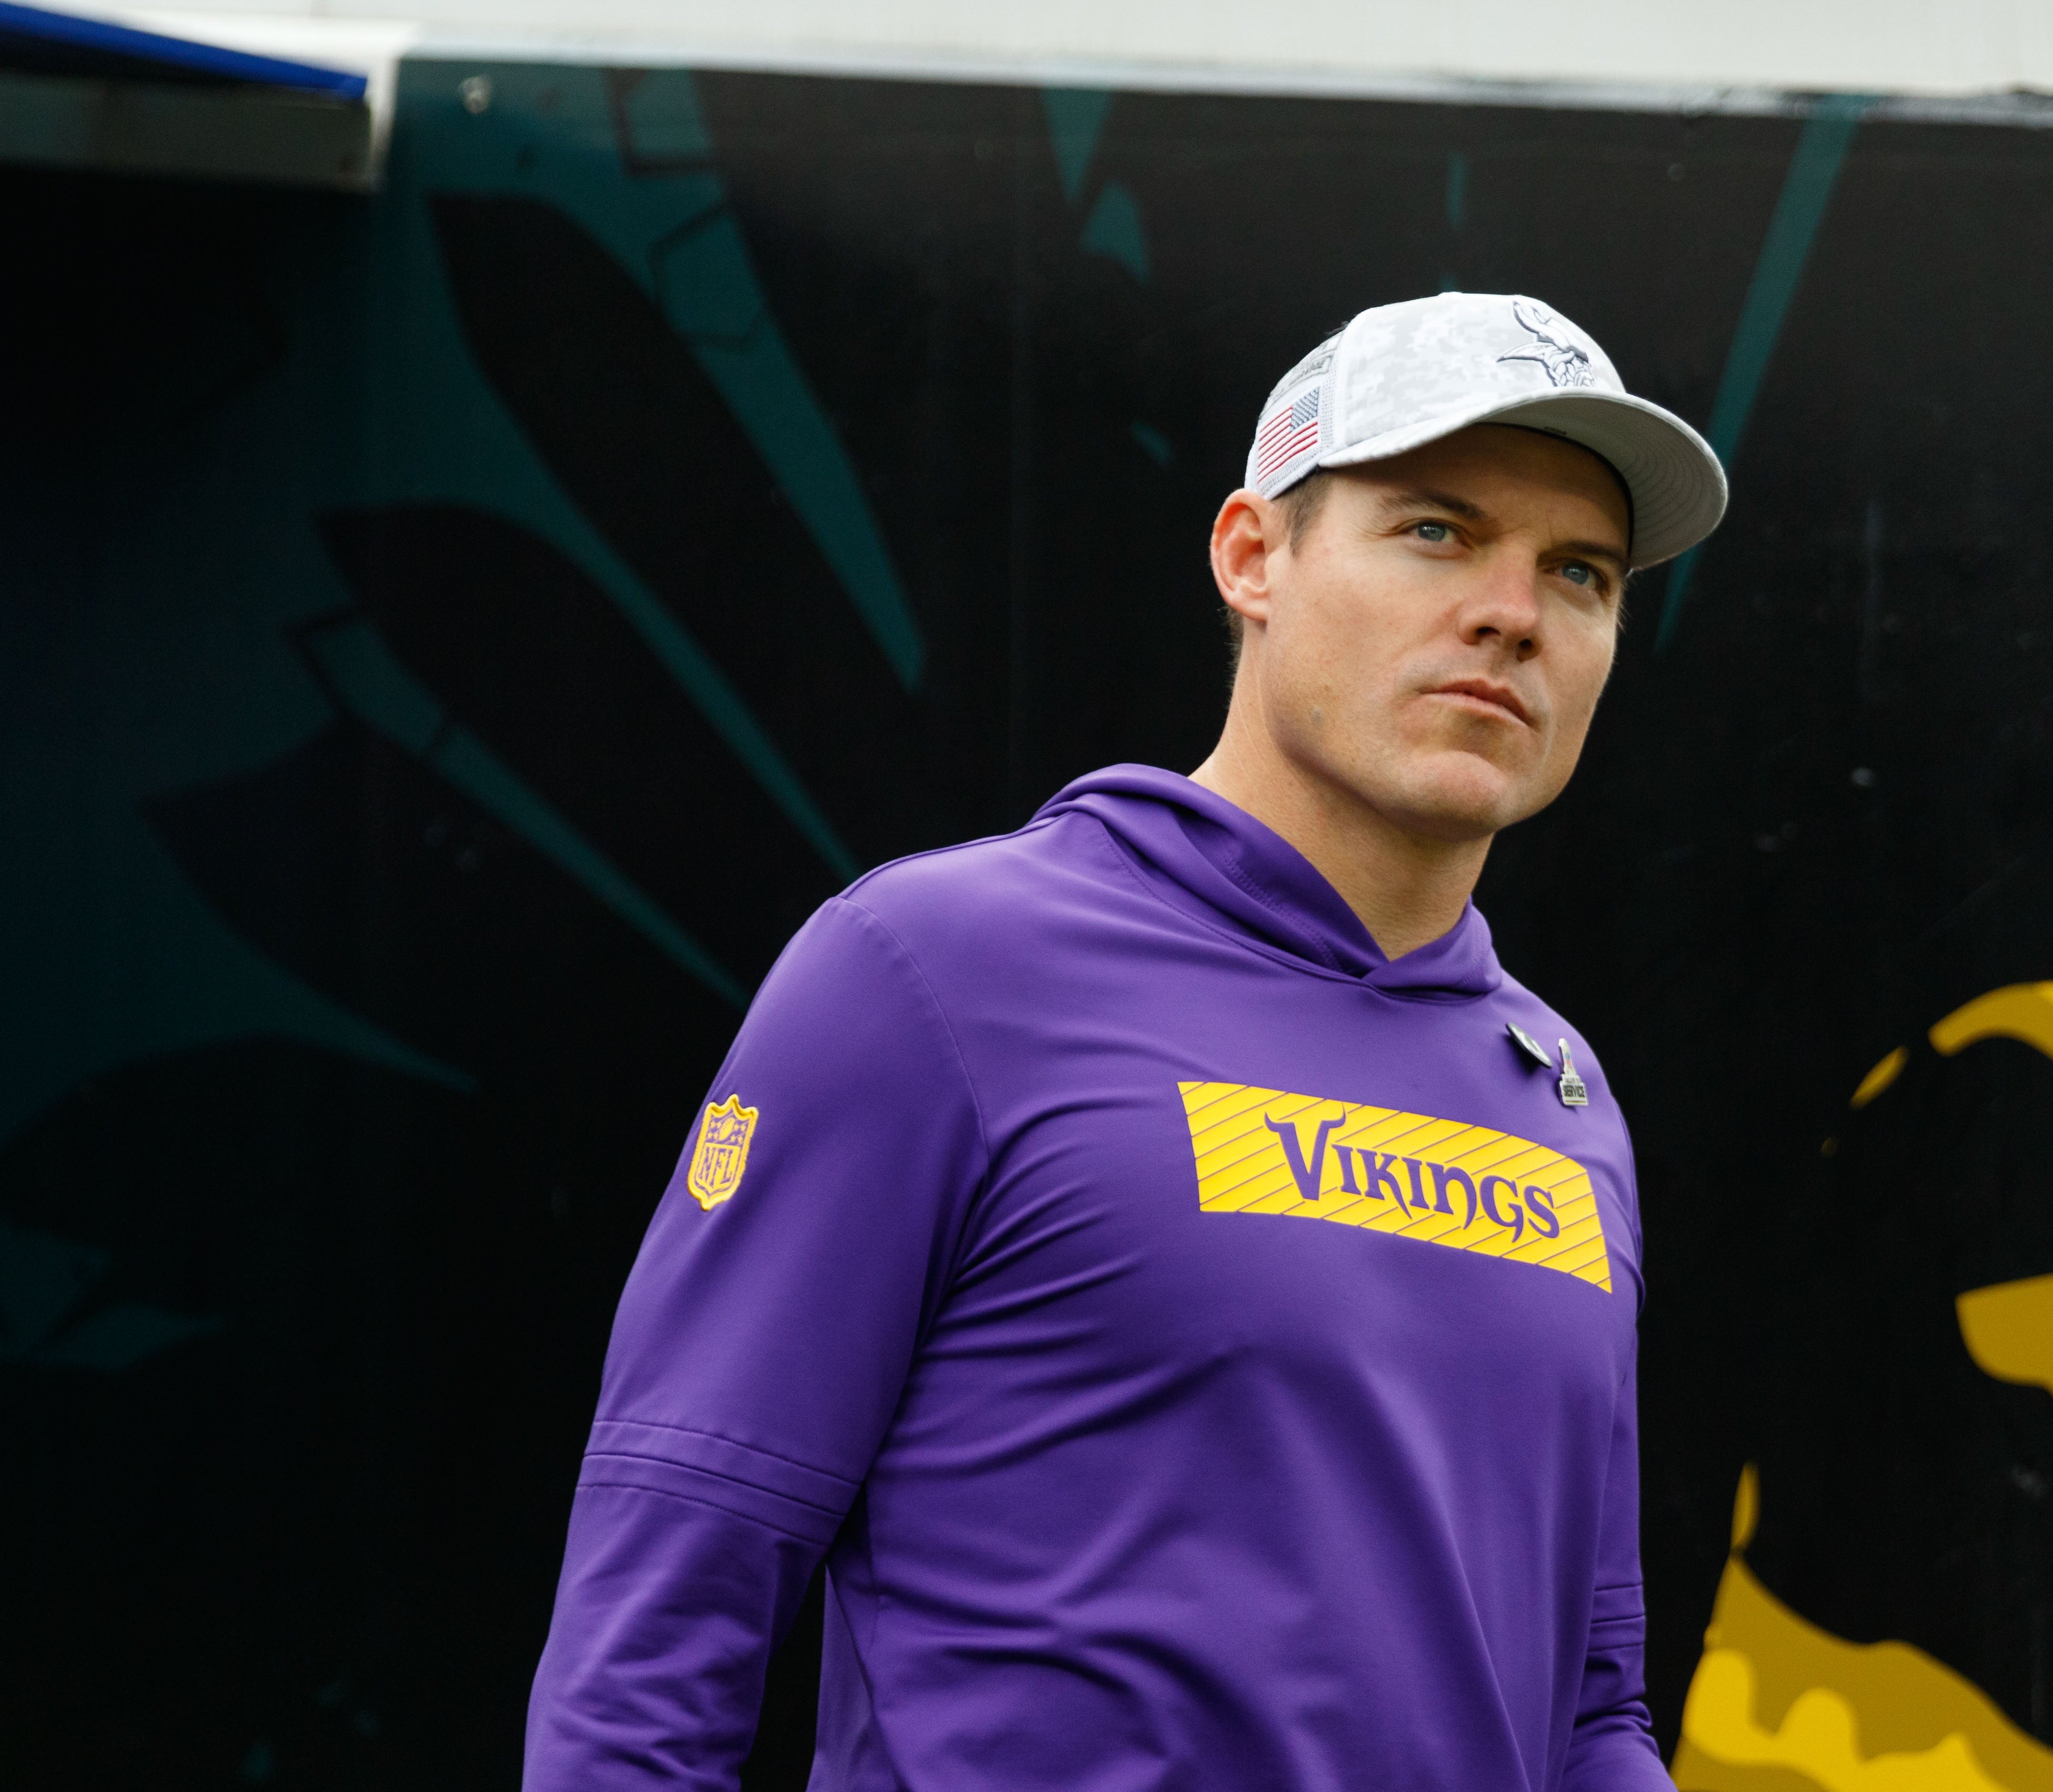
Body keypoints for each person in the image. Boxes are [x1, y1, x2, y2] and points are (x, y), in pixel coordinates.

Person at [522, 290, 1728, 1791]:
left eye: (1582, 572)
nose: (1514, 610)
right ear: (1252, 556)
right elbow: (668, 1603)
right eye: (1435, 530)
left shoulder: (1557, 1099)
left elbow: (1590, 1709)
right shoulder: (931, 972)